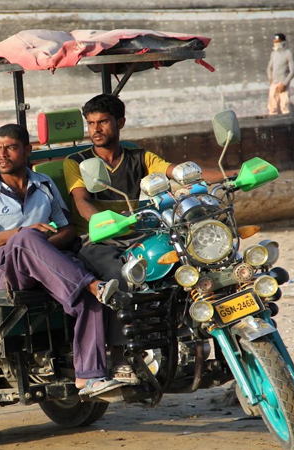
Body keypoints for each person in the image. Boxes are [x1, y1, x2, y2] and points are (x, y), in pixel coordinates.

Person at [64, 94, 231, 384]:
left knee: (197, 258)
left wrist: (231, 176)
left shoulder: (139, 157)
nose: (96, 129)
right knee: (119, 276)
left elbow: (180, 173)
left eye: (102, 121)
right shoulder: (77, 162)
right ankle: (118, 355)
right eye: (90, 123)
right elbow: (81, 201)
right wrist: (100, 222)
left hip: (140, 233)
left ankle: (202, 335)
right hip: (96, 240)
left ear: (120, 123)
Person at [0, 124, 124, 396]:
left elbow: (67, 230)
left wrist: (41, 246)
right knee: (26, 238)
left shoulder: (45, 184)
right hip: (4, 268)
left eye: (10, 148)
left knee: (90, 300)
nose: (2, 154)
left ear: (27, 150)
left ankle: (91, 377)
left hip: (45, 264)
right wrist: (22, 234)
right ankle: (91, 283)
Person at [267, 33, 294, 115]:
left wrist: (284, 83)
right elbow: (269, 67)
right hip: (274, 82)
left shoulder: (288, 53)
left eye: (278, 42)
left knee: (284, 105)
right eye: (274, 42)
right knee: (272, 104)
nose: (276, 44)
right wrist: (270, 78)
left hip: (283, 82)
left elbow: (292, 71)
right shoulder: (273, 54)